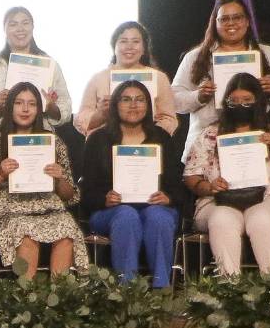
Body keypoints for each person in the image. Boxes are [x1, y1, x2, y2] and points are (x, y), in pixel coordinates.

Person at [182, 74, 270, 276]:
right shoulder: (210, 134)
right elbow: (191, 177)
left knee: (261, 217)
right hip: (219, 201)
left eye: (247, 101)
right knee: (222, 219)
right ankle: (229, 286)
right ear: (226, 103)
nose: (240, 106)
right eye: (234, 101)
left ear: (258, 102)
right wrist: (210, 187)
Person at [78, 80, 188, 288]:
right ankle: (128, 291)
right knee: (127, 215)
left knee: (158, 217)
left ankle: (162, 289)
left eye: (140, 100)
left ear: (148, 105)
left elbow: (176, 184)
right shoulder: (98, 139)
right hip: (109, 211)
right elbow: (87, 191)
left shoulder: (161, 138)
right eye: (126, 99)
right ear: (115, 105)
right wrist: (104, 199)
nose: (133, 105)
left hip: (154, 207)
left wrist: (168, 197)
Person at [0, 82, 84, 278]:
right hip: (8, 210)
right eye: (19, 103)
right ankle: (27, 294)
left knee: (67, 227)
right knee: (25, 231)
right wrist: (0, 175)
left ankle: (59, 293)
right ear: (9, 107)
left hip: (49, 207)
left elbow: (70, 196)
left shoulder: (53, 142)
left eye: (32, 104)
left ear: (39, 109)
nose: (25, 109)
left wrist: (59, 179)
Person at [172, 0, 270, 154]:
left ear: (247, 21)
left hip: (256, 141)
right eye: (224, 19)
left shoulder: (268, 54)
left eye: (237, 17)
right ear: (215, 23)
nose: (231, 23)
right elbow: (174, 100)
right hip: (206, 145)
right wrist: (198, 96)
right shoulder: (195, 57)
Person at [75, 22, 179, 135]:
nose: (129, 46)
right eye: (123, 41)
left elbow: (169, 119)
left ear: (144, 48)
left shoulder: (159, 78)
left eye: (136, 41)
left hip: (148, 144)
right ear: (114, 46)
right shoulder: (98, 78)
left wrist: (148, 136)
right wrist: (100, 115)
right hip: (104, 143)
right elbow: (81, 120)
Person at [0, 7, 72, 130]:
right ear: (4, 29)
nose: (20, 29)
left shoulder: (50, 65)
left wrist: (50, 107)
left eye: (25, 23)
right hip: (2, 136)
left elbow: (66, 109)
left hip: (41, 136)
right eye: (13, 24)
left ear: (33, 26)